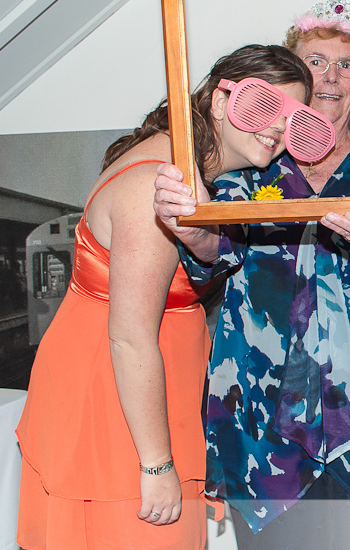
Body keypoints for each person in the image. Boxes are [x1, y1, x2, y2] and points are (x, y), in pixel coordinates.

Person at [152, 0, 350, 550]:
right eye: (315, 63)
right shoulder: (253, 162)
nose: (331, 77)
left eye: (347, 65)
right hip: (260, 399)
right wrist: (191, 229)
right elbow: (216, 248)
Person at [16, 44, 313, 549]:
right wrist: (155, 464)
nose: (279, 127)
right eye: (264, 105)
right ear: (220, 101)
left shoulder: (195, 169)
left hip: (149, 392)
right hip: (116, 405)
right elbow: (131, 338)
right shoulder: (155, 185)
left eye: (295, 116)